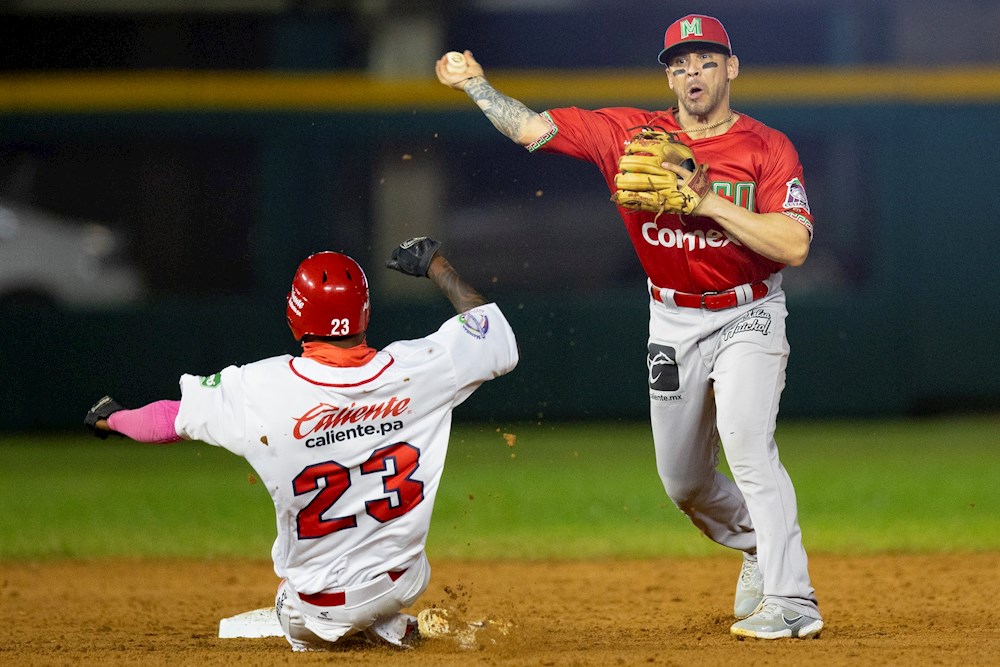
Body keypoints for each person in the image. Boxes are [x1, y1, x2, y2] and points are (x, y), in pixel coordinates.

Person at [436, 14, 821, 639]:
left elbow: (795, 245)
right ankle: (758, 542)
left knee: (747, 441)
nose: (691, 71)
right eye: (679, 62)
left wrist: (707, 202)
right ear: (667, 76)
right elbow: (533, 130)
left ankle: (792, 598)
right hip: (670, 318)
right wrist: (478, 85)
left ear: (732, 67)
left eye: (705, 59)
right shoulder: (628, 134)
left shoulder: (766, 148)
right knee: (684, 481)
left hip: (749, 311)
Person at [84, 237, 519, 651]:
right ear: (365, 313)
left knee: (289, 602)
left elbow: (167, 419)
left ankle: (362, 627)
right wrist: (433, 264)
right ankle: (388, 623)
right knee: (383, 574)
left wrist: (110, 419)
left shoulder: (260, 387)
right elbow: (490, 331)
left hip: (314, 611)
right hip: (403, 581)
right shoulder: (424, 367)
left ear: (296, 316)